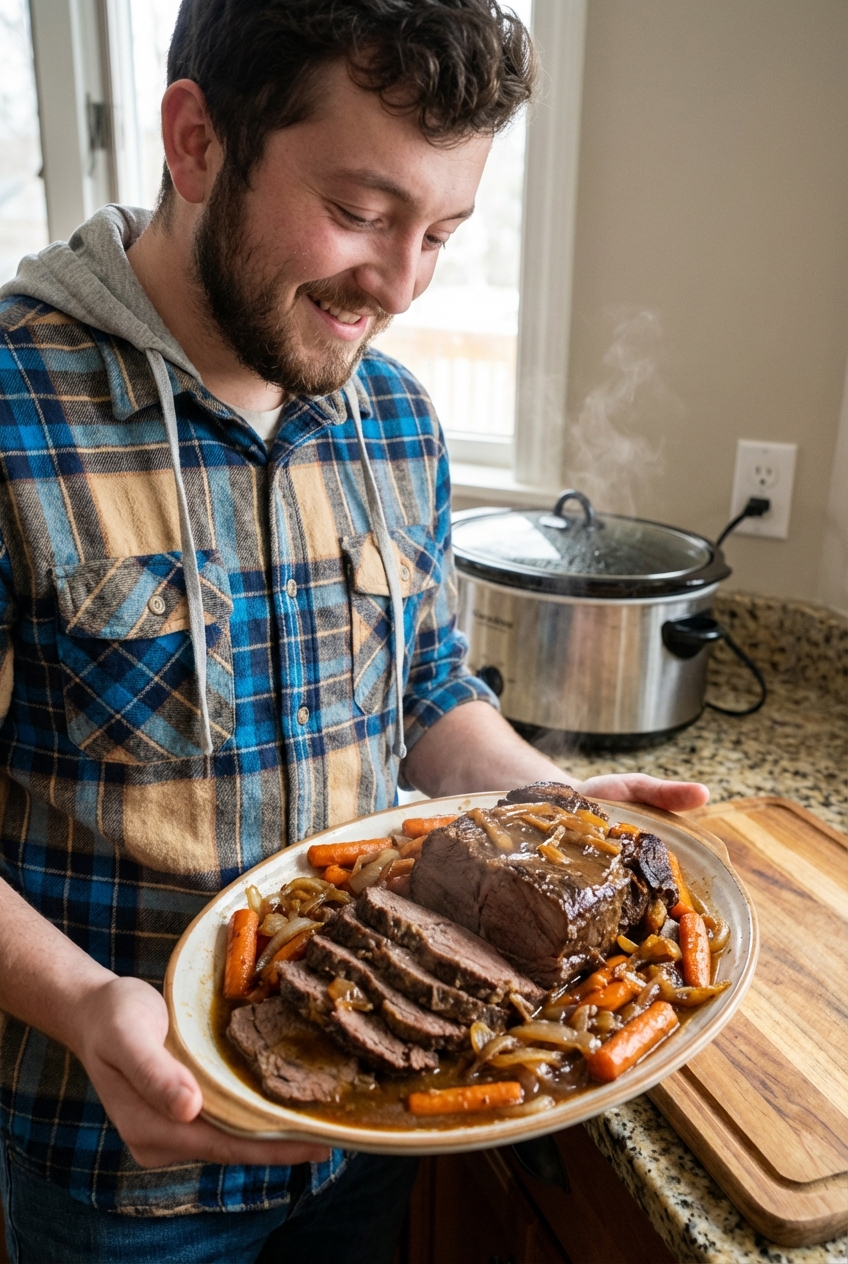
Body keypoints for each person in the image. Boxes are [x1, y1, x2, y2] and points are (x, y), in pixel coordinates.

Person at [0, 1, 708, 1260]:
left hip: (374, 1131)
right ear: (196, 139)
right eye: (363, 213)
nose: (396, 285)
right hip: (116, 1162)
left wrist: (557, 814)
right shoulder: (14, 418)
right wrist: (80, 1001)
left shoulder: (393, 420)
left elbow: (426, 691)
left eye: (439, 232)